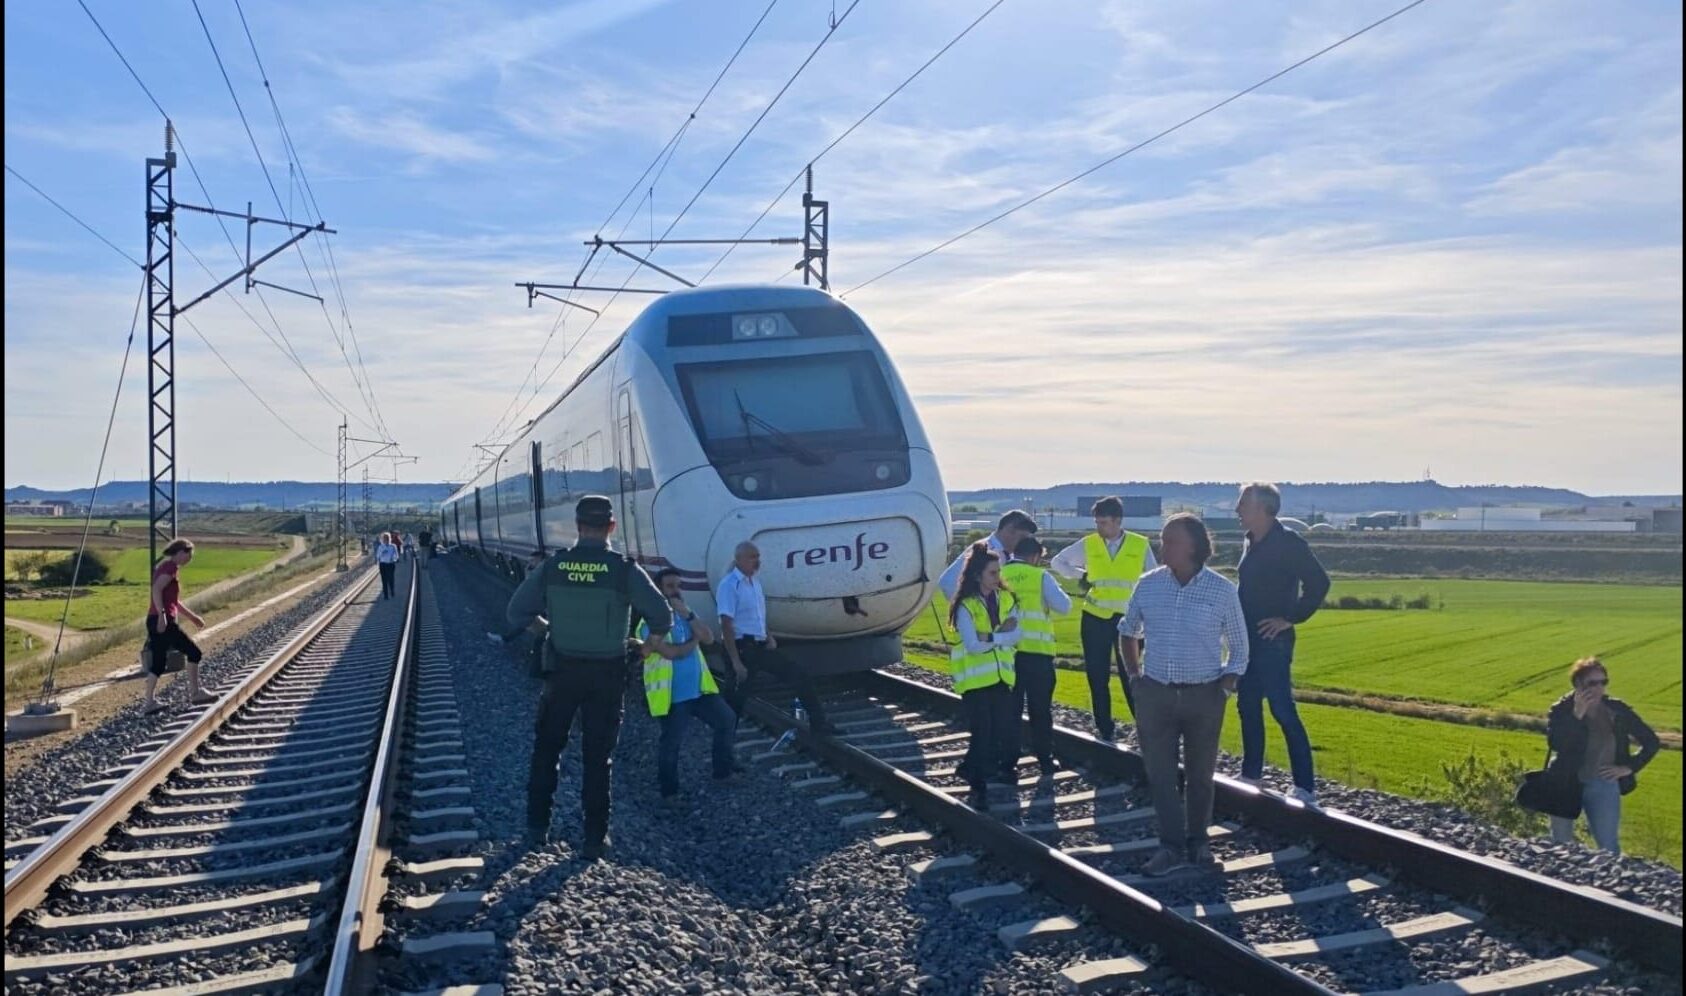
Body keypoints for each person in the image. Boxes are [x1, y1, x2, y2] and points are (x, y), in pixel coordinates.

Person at [507, 496, 671, 859]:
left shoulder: (554, 566)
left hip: (562, 671)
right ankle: (594, 840)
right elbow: (662, 616)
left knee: (547, 749)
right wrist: (646, 647)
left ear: (578, 525)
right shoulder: (624, 570)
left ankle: (536, 830)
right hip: (607, 675)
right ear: (612, 527)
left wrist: (547, 629)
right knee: (598, 758)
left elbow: (517, 612)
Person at [1118, 514, 1249, 876]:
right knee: (1160, 774)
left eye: (1170, 540)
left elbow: (1239, 646)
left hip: (1204, 695)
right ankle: (1170, 847)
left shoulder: (1222, 590)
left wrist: (1225, 687)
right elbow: (1128, 631)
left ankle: (1199, 843)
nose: (1163, 546)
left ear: (1193, 546)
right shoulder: (1148, 585)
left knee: (1201, 774)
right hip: (1156, 693)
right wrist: (1135, 677)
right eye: (1163, 539)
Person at [1234, 482, 1331, 805]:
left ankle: (1304, 786)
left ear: (1263, 509)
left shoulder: (1289, 543)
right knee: (1247, 704)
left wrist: (1290, 617)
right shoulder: (1250, 541)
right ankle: (1251, 775)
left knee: (1281, 707)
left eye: (1243, 504)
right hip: (1248, 638)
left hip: (1273, 641)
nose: (1237, 509)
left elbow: (1319, 583)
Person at [1050, 496, 1157, 742]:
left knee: (1133, 675)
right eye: (1097, 522)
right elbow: (1058, 562)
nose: (1099, 527)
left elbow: (1153, 578)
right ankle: (1104, 728)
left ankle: (1144, 728)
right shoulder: (1089, 544)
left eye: (1104, 523)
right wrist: (1081, 575)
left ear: (1118, 521)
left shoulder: (1140, 545)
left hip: (1129, 622)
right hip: (1095, 617)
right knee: (1097, 676)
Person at [639, 568, 740, 803]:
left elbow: (709, 638)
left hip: (699, 689)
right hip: (673, 695)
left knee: (726, 719)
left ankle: (722, 773)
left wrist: (689, 617)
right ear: (659, 591)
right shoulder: (651, 623)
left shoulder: (686, 614)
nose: (677, 591)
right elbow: (672, 653)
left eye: (678, 586)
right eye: (671, 586)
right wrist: (694, 641)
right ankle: (669, 790)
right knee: (672, 742)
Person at [1544, 657, 1660, 855]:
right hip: (1565, 782)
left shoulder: (1617, 710)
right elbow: (1558, 744)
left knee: (1608, 847)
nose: (1599, 688)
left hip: (1603, 782)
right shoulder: (1561, 710)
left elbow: (1651, 741)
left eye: (1603, 682)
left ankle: (1608, 883)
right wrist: (1576, 716)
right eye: (1592, 682)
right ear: (1578, 684)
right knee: (1561, 845)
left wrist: (1628, 768)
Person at [717, 541, 834, 735]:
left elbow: (757, 614)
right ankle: (724, 752)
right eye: (752, 557)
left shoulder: (754, 582)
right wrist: (736, 662)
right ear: (738, 559)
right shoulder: (729, 585)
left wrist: (768, 635)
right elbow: (726, 624)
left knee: (799, 675)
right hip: (741, 648)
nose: (757, 561)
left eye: (758, 556)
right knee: (734, 703)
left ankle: (819, 724)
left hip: (760, 646)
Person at [948, 541, 1021, 806]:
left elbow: (1017, 636)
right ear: (978, 575)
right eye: (992, 573)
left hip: (1002, 677)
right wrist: (1002, 635)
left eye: (998, 571)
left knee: (999, 730)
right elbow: (973, 645)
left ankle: (969, 768)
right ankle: (978, 785)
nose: (998, 577)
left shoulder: (1008, 598)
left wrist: (991, 635)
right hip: (975, 679)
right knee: (983, 731)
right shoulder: (965, 606)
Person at [1000, 535, 1072, 776]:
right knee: (1040, 710)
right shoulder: (1040, 576)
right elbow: (1064, 606)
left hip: (1006, 655)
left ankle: (1008, 761)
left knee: (1010, 711)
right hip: (1038, 656)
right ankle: (1044, 759)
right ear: (1034, 556)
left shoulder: (997, 574)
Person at [142, 538, 212, 713]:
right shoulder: (170, 568)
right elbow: (156, 590)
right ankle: (195, 693)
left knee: (159, 662)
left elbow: (174, 601)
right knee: (194, 652)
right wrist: (162, 615)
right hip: (163, 621)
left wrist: (193, 617)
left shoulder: (165, 567)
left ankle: (149, 703)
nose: (190, 558)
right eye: (189, 554)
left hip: (155, 619)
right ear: (181, 552)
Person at [938, 510, 1038, 601]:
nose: (1024, 542)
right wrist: (970, 610)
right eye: (1022, 537)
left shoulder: (1009, 555)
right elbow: (947, 582)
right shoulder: (983, 550)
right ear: (1009, 530)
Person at [375, 532, 399, 599]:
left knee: (391, 579)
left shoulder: (393, 546)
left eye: (387, 538)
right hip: (383, 564)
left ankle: (392, 591)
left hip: (390, 564)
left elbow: (396, 555)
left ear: (390, 539)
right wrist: (382, 553)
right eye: (385, 538)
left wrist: (394, 559)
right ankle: (386, 595)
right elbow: (377, 556)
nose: (386, 539)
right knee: (384, 580)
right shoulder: (381, 547)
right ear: (382, 539)